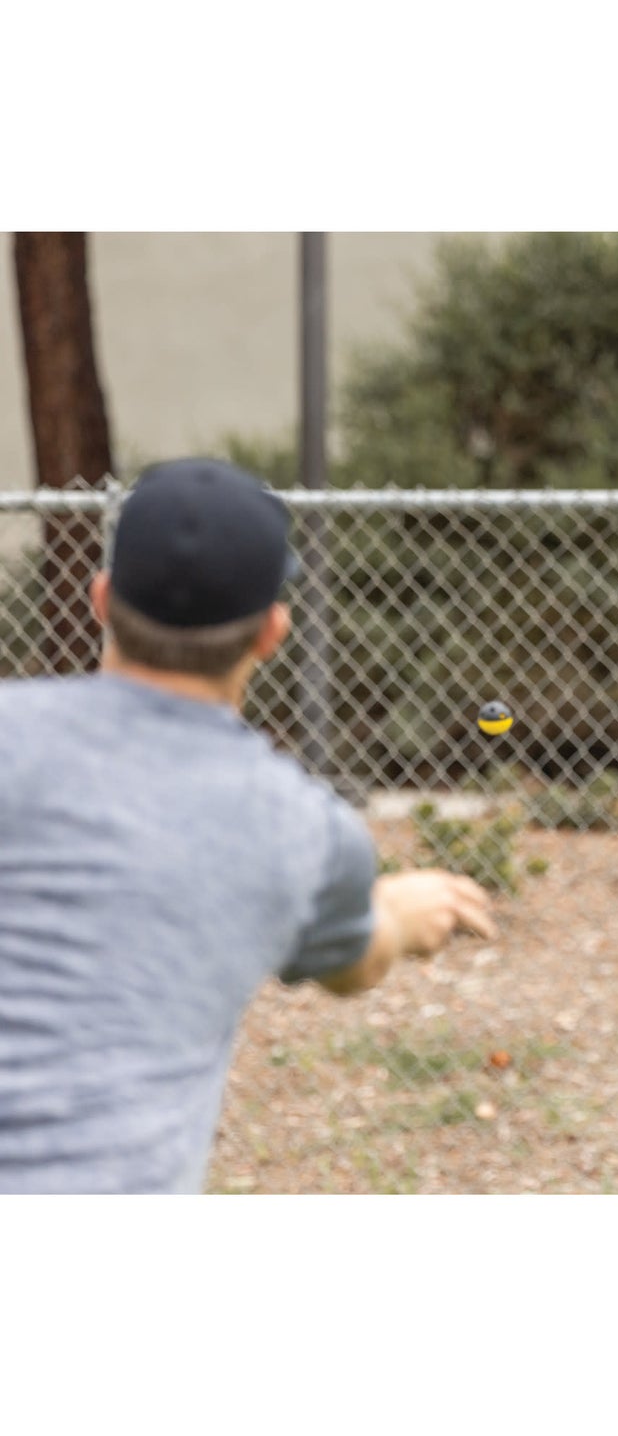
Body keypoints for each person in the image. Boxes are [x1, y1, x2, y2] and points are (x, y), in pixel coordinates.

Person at [0, 457, 497, 1194]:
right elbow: (354, 963)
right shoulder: (305, 831)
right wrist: (396, 912)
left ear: (101, 599)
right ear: (272, 631)